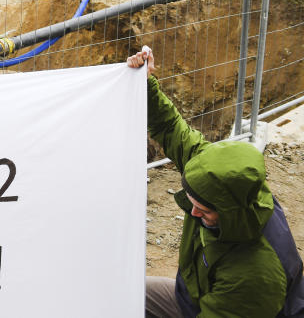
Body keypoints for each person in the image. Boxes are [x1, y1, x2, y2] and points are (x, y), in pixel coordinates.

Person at [128, 48, 304, 317]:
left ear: (232, 211)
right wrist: (146, 83)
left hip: (223, 308)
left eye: (205, 210)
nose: (194, 212)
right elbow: (171, 128)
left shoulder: (254, 275)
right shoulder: (219, 180)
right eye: (193, 203)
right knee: (124, 295)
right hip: (193, 296)